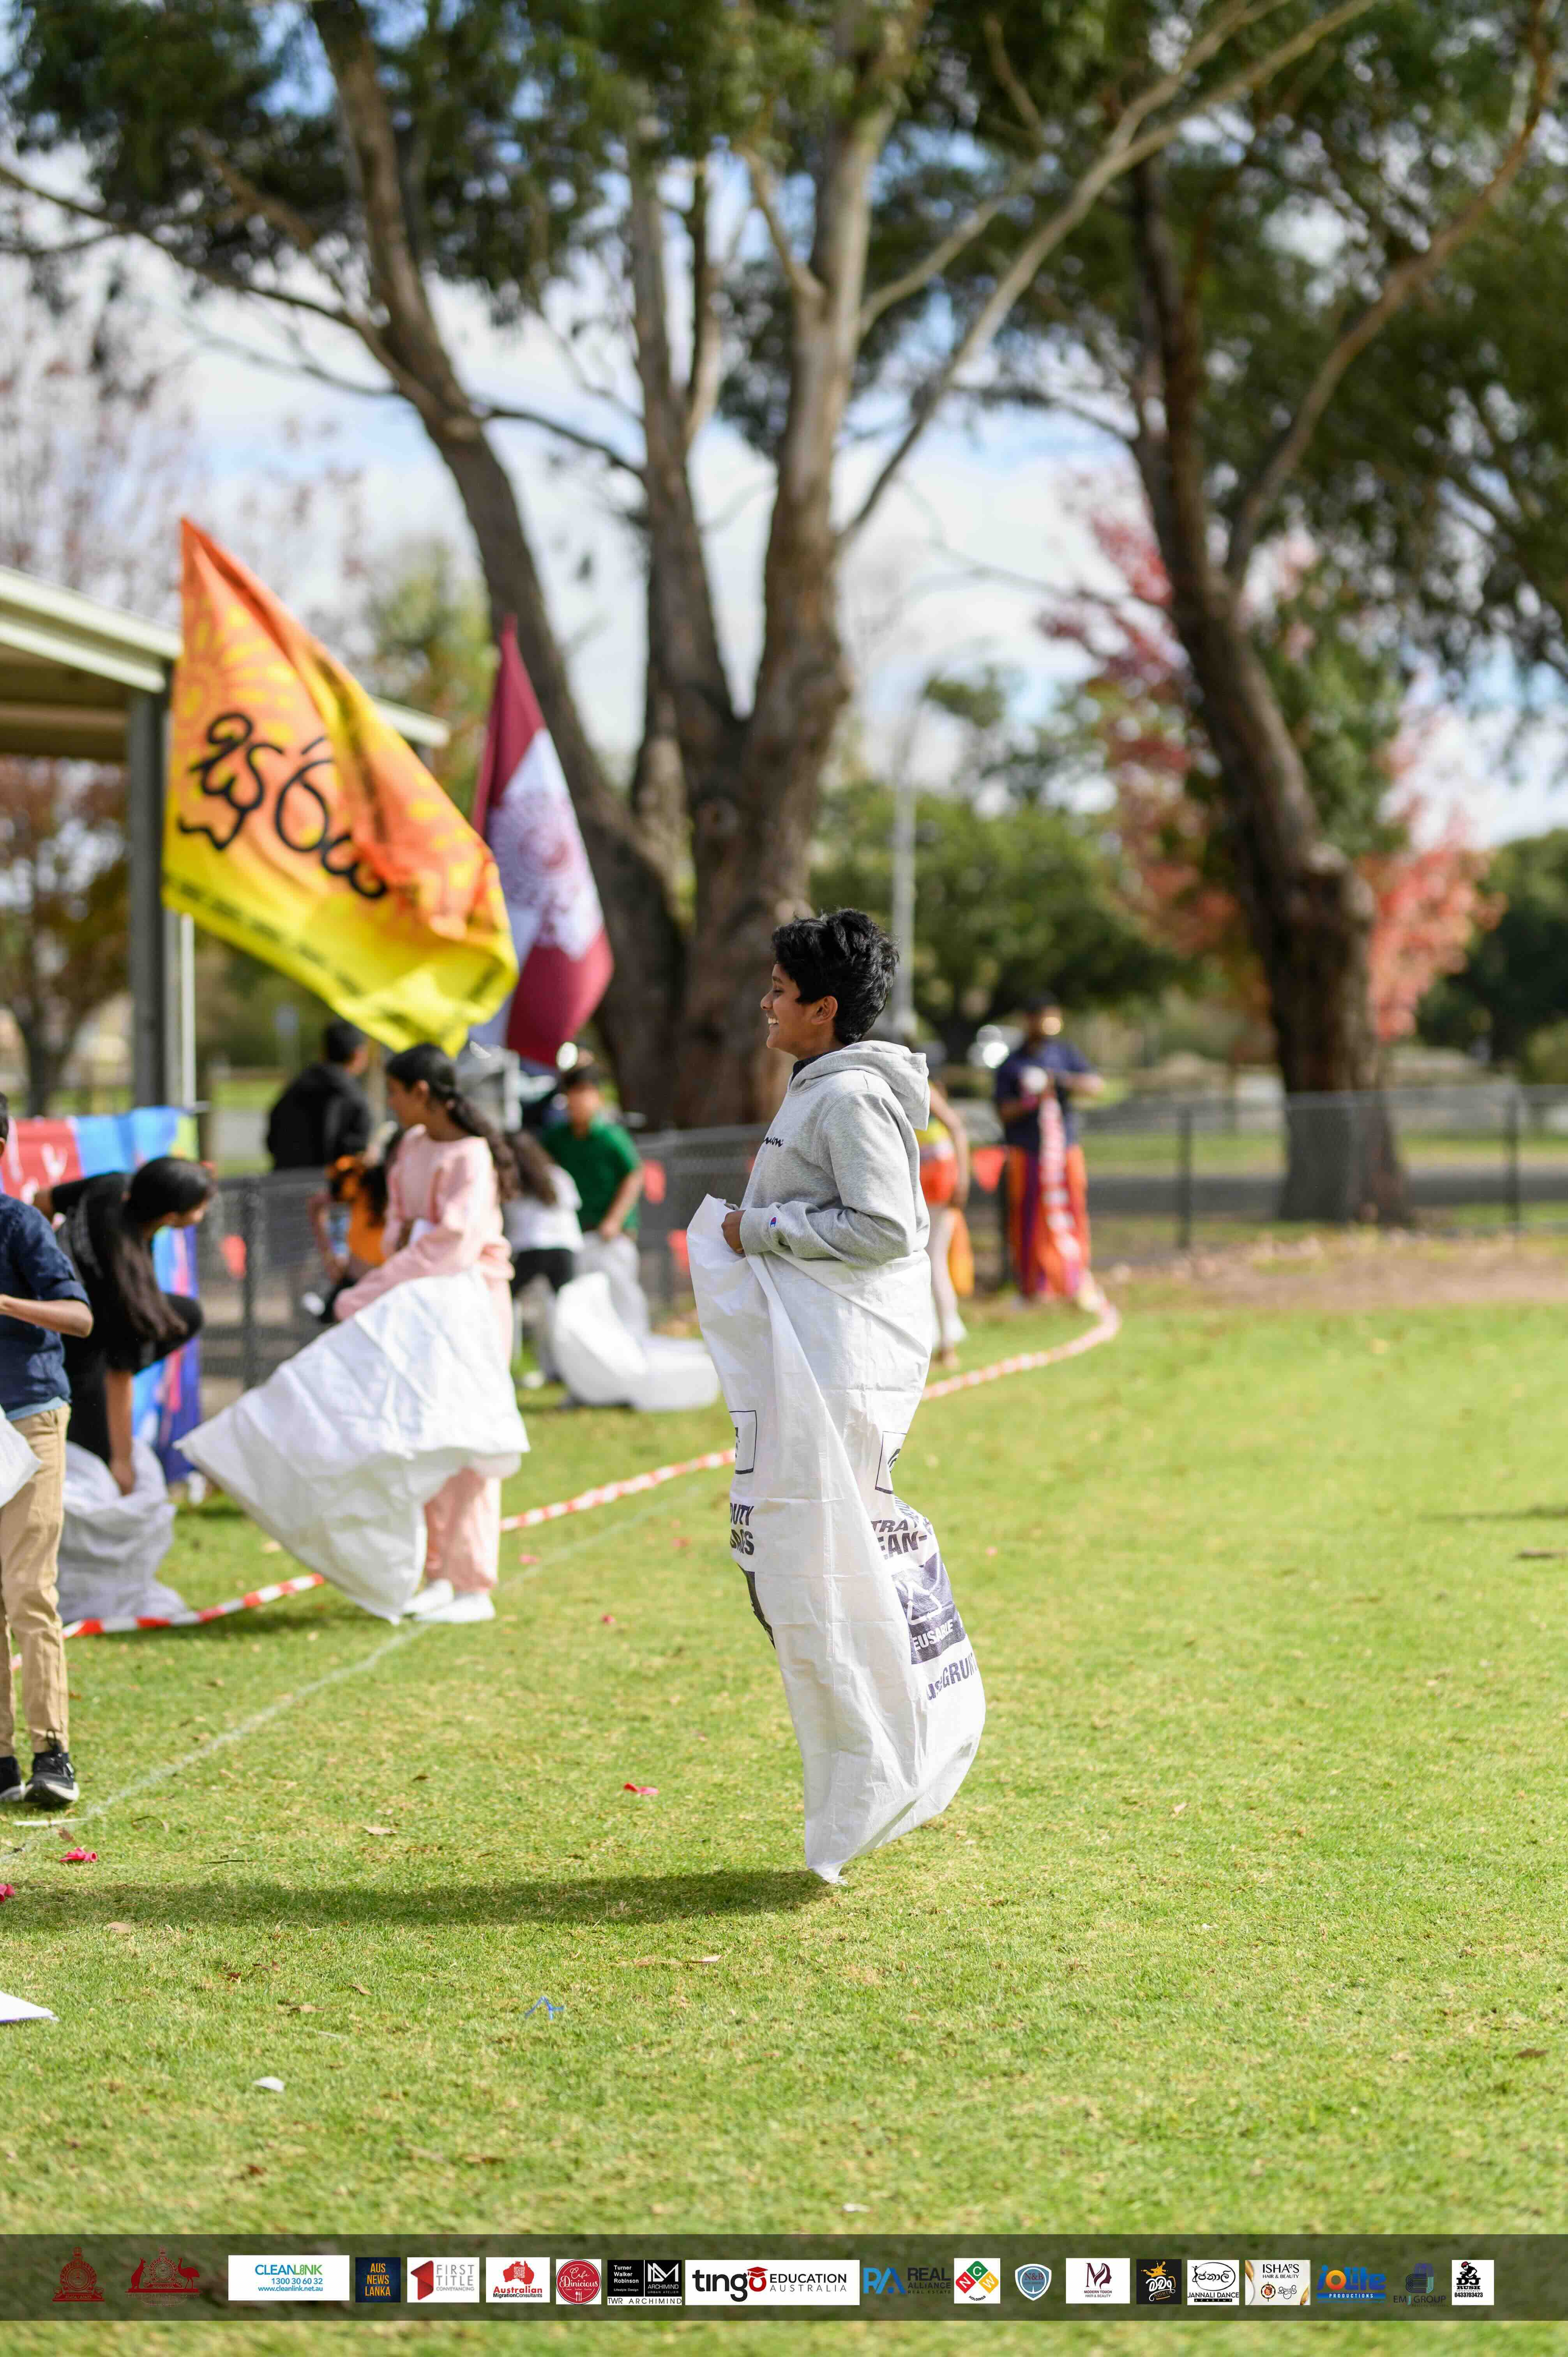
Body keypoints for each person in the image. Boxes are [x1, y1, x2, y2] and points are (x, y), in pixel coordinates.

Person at [334, 1043, 516, 1627]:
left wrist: (377, 1281)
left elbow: (453, 1244)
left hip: (472, 1308)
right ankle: (438, 1573)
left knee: (469, 1441)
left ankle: (472, 1583)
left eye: (394, 1091)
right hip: (418, 1306)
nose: (388, 1103)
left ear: (421, 1093)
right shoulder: (410, 1146)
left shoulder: (472, 1157)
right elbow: (401, 1230)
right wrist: (410, 1243)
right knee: (425, 1435)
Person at [0, 1092, 93, 1809]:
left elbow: (79, 1316)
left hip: (28, 1418)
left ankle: (50, 1750)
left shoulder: (19, 1223)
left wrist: (4, 1303)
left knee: (29, 1587)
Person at [37, 1159, 213, 1497]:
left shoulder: (111, 1185)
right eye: (200, 1208)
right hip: (76, 1351)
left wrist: (32, 1264)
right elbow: (120, 1378)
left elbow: (42, 1201)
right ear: (170, 1217)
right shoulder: (131, 1288)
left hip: (60, 1320)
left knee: (184, 1314)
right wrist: (122, 1460)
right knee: (96, 1464)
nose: (202, 1214)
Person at [994, 993, 1105, 1309]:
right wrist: (1032, 1100)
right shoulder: (1013, 1064)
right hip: (1027, 1152)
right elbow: (1003, 1112)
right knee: (1028, 1218)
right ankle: (1031, 1286)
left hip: (1065, 1151)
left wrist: (1062, 1082)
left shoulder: (1065, 1054)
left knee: (1072, 1213)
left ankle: (1074, 1280)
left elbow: (1095, 1085)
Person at [544, 1062, 645, 1332]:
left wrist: (614, 1220)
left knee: (622, 1297)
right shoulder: (558, 1139)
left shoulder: (611, 1136)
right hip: (574, 1234)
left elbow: (633, 1175)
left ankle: (634, 1350)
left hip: (611, 1234)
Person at [304, 1123, 400, 1323]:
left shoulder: (420, 1193)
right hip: (355, 1285)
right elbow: (317, 1205)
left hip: (394, 1293)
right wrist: (329, 1256)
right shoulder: (363, 1182)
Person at [265, 1018, 374, 1171]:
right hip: (330, 1189)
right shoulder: (355, 1098)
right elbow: (356, 1153)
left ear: (323, 1051)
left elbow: (272, 1140)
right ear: (359, 1054)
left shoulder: (296, 1087)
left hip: (285, 1183)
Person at [917, 1070, 972, 1369]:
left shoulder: (913, 1081)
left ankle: (947, 1344)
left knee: (933, 1261)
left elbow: (955, 1125)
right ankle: (940, 1341)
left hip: (937, 1177)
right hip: (923, 1178)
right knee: (928, 1262)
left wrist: (963, 1179)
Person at [504, 1131, 582, 1298]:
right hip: (564, 1247)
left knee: (511, 1300)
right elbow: (574, 1206)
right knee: (563, 1306)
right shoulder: (557, 1175)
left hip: (527, 1250)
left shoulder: (510, 1184)